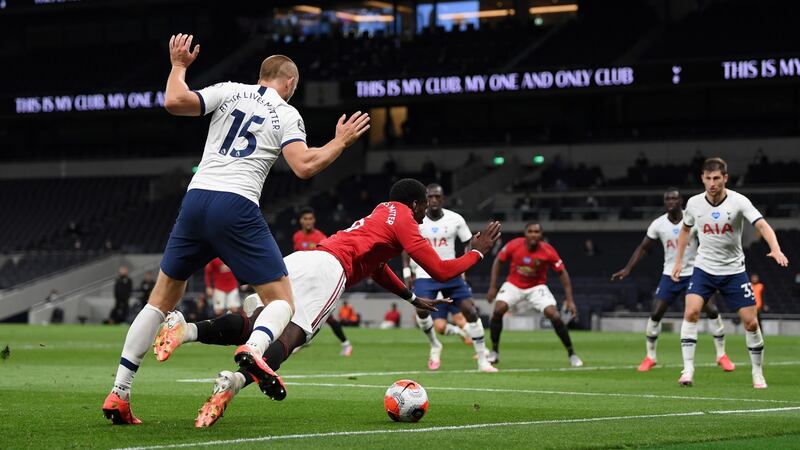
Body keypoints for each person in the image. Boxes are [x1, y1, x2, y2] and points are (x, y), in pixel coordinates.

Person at [102, 33, 370, 425]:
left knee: (159, 301)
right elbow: (305, 166)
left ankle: (119, 392)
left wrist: (178, 66)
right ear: (290, 84)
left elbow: (175, 101)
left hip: (195, 200)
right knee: (282, 301)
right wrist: (340, 142)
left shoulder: (229, 90)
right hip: (237, 205)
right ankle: (255, 350)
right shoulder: (287, 113)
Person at [153, 178, 502, 427]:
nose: (427, 209)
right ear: (415, 203)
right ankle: (242, 373)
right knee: (294, 336)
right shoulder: (408, 220)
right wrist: (476, 252)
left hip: (303, 260)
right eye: (424, 203)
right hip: (330, 271)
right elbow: (441, 270)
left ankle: (191, 334)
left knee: (257, 320)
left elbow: (377, 266)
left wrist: (410, 297)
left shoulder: (382, 213)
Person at [672, 157, 788, 388]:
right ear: (702, 179)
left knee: (751, 323)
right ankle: (688, 370)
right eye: (708, 178)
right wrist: (678, 261)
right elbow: (685, 230)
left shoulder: (739, 201)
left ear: (725, 178)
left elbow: (762, 225)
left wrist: (775, 248)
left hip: (734, 271)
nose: (712, 183)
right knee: (691, 312)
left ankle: (757, 373)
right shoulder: (694, 203)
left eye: (717, 178)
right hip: (703, 268)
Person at [611, 188, 733, 372]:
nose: (670, 202)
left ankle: (721, 355)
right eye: (667, 199)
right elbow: (643, 248)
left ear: (681, 201)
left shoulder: (692, 218)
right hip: (670, 274)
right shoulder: (658, 224)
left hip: (696, 272)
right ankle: (650, 357)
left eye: (674, 199)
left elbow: (710, 239)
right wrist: (628, 268)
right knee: (655, 313)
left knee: (712, 309)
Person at [401, 184, 494, 372]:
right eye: (431, 197)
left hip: (452, 273)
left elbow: (468, 242)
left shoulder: (455, 219)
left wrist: (465, 267)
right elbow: (405, 247)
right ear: (425, 199)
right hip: (424, 274)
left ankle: (483, 360)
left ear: (443, 199)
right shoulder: (416, 219)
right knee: (421, 311)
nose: (434, 200)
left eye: (438, 196)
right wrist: (407, 273)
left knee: (470, 311)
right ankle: (435, 345)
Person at [487, 223, 582, 367]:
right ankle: (494, 352)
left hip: (536, 287)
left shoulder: (548, 251)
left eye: (537, 232)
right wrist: (493, 287)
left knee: (555, 316)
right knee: (498, 310)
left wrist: (570, 300)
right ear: (525, 233)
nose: (533, 234)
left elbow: (562, 272)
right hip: (514, 284)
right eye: (530, 231)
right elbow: (498, 261)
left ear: (541, 235)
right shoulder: (514, 245)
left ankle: (571, 353)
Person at [293, 207, 352, 356]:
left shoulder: (320, 237)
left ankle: (346, 343)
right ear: (300, 220)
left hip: (317, 280)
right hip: (303, 279)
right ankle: (301, 340)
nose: (308, 221)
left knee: (328, 316)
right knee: (297, 310)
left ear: (314, 220)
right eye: (305, 219)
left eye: (310, 219)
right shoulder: (297, 236)